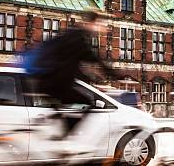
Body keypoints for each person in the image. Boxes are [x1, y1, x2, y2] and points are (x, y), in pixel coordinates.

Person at [28, 10, 115, 138]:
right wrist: (114, 74)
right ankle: (65, 138)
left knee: (65, 106)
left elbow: (72, 62)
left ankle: (52, 127)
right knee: (87, 102)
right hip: (53, 83)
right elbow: (92, 57)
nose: (102, 28)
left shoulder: (72, 33)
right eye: (100, 23)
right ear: (93, 22)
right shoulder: (79, 37)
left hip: (46, 80)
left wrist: (89, 76)